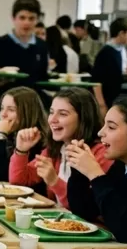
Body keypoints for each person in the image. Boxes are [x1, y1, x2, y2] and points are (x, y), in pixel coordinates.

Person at [10, 87, 111, 220]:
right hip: (58, 222)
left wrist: (55, 181)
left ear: (83, 118)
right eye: (51, 112)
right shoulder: (56, 148)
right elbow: (18, 182)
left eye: (62, 114)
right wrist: (21, 151)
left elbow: (86, 209)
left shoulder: (99, 154)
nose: (52, 120)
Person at [67, 97, 127, 243]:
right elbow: (85, 212)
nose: (100, 133)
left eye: (111, 127)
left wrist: (95, 174)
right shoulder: (120, 168)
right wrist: (79, 169)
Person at [0, 0, 50, 138]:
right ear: (14, 18)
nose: (26, 22)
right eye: (22, 17)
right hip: (1, 107)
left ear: (37, 20)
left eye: (31, 18)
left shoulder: (41, 46)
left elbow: (41, 78)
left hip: (29, 110)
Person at [93, 18, 127, 111]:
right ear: (121, 33)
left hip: (114, 98)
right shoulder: (106, 52)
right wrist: (101, 105)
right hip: (106, 100)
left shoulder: (119, 50)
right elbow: (96, 81)